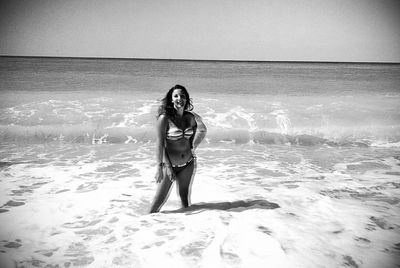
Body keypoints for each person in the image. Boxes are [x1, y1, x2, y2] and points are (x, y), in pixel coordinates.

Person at [149, 85, 207, 213]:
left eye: (182, 96)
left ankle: (184, 228)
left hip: (188, 164)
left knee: (185, 201)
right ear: (171, 99)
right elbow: (160, 144)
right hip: (170, 166)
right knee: (157, 204)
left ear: (186, 99)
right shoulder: (165, 118)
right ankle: (143, 226)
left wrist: (192, 147)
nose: (179, 98)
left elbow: (200, 131)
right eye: (176, 96)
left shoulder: (190, 118)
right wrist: (163, 167)